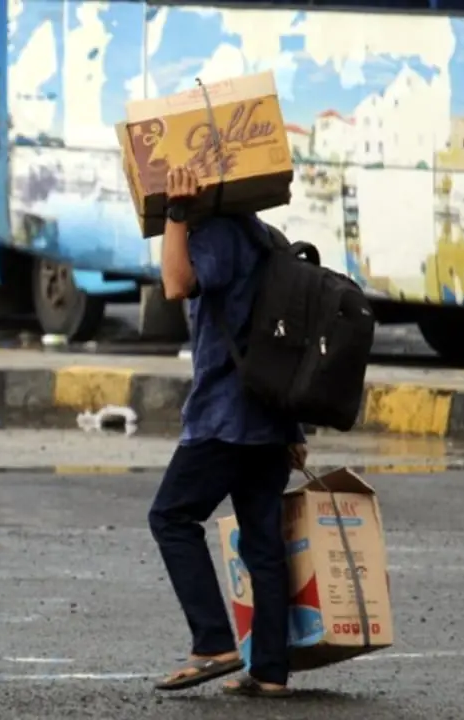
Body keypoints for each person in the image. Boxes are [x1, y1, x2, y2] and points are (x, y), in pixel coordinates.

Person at [148, 166, 307, 698]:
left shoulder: (217, 233)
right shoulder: (265, 237)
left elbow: (176, 283)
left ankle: (213, 641)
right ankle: (269, 670)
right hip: (268, 415)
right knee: (262, 542)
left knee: (171, 516)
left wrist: (175, 214)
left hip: (225, 414)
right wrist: (293, 425)